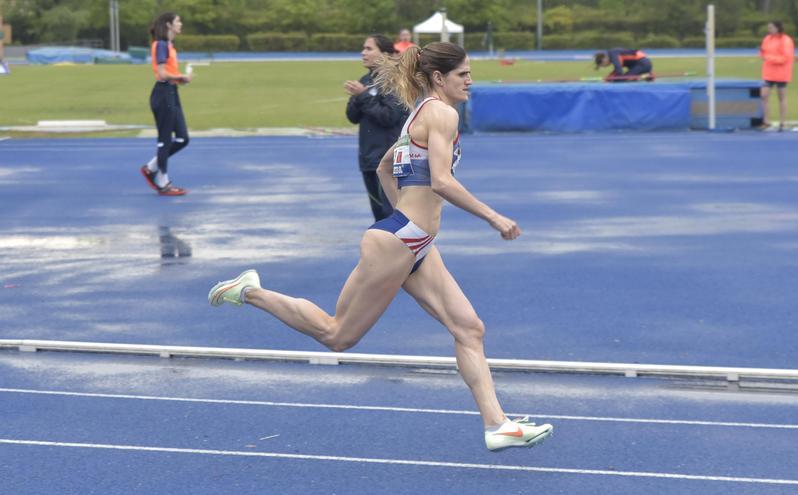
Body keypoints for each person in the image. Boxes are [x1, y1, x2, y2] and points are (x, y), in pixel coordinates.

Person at [208, 42, 553, 452]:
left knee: (469, 329)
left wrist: (403, 218)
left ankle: (497, 425)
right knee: (337, 335)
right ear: (439, 78)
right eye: (464, 74)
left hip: (412, 241)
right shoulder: (441, 113)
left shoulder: (417, 116)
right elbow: (441, 181)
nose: (470, 80)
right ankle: (249, 291)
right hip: (400, 241)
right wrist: (492, 217)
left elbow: (385, 166)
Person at [345, 34, 408, 221]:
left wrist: (363, 96)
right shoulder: (365, 79)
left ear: (386, 54)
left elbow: (389, 116)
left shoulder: (395, 80)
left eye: (369, 49)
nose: (363, 53)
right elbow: (352, 117)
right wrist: (358, 97)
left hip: (388, 161)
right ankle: (385, 250)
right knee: (379, 216)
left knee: (393, 215)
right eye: (363, 48)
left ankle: (403, 250)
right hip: (368, 159)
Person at [139, 12, 192, 196]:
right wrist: (180, 77)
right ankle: (163, 182)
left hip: (171, 92)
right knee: (165, 140)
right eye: (178, 21)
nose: (181, 23)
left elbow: (168, 73)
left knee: (183, 138)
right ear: (169, 25)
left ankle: (151, 167)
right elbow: (162, 73)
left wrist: (180, 80)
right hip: (163, 94)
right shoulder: (161, 45)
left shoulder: (169, 45)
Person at [759, 21, 795, 131]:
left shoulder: (786, 40)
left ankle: (783, 122)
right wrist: (763, 56)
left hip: (781, 73)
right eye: (768, 28)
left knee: (781, 97)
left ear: (777, 28)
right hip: (768, 72)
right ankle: (766, 121)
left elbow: (786, 57)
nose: (769, 30)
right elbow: (763, 52)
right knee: (764, 95)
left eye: (771, 27)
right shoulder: (767, 39)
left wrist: (770, 58)